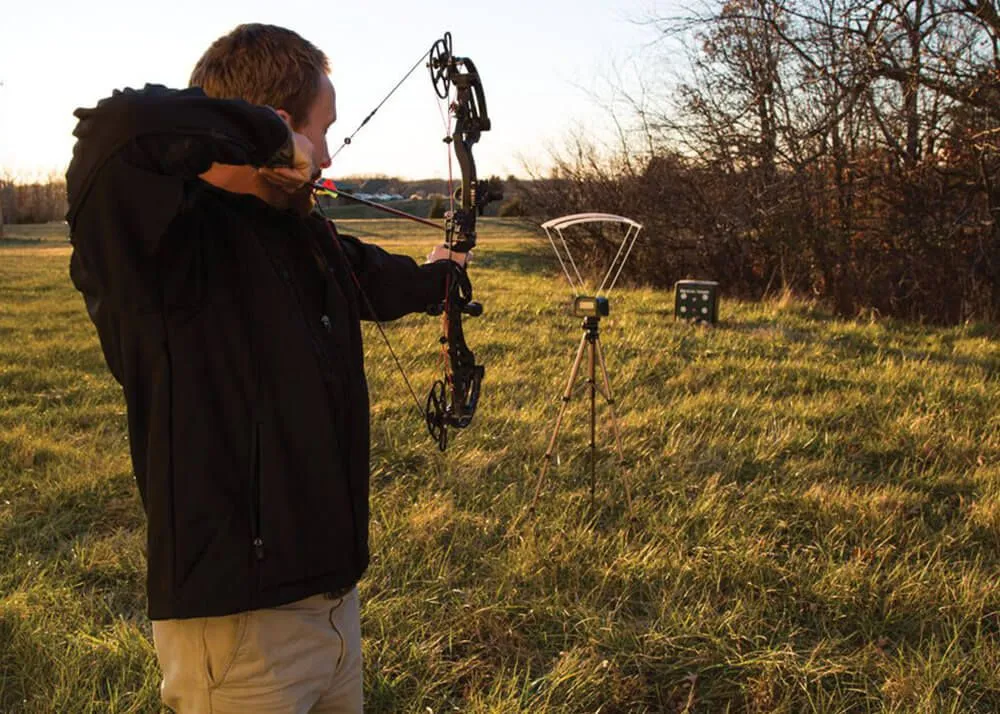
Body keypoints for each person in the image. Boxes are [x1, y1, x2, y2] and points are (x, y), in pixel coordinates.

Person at [65, 23, 468, 714]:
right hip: (239, 637)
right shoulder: (162, 249)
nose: (328, 153)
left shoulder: (298, 234)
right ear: (277, 127)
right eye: (321, 131)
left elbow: (368, 276)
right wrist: (268, 136)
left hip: (334, 607)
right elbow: (117, 127)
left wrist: (441, 277)